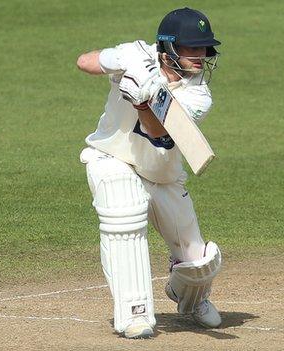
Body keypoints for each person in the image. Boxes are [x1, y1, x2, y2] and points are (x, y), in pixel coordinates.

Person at [76, 8, 222, 339]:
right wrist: (123, 70)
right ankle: (134, 314)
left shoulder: (198, 95)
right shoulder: (135, 53)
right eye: (192, 48)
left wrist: (145, 101)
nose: (200, 57)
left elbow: (156, 132)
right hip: (113, 157)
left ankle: (190, 298)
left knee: (199, 264)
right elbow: (84, 61)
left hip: (162, 173)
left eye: (204, 49)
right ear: (168, 47)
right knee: (124, 211)